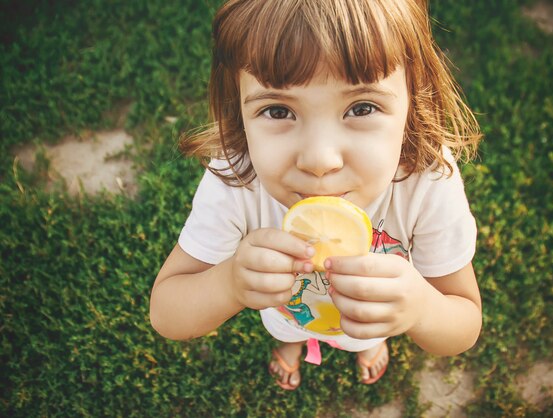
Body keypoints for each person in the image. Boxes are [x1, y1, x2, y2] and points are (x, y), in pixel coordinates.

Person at [150, 0, 482, 391]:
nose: (319, 160)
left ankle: (366, 347)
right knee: (287, 329)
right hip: (284, 315)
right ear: (237, 110)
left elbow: (463, 323)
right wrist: (228, 285)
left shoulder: (426, 184)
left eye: (361, 107)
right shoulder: (236, 181)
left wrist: (420, 308)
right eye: (277, 111)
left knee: (367, 331)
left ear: (414, 100)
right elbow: (166, 313)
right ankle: (292, 345)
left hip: (369, 325)